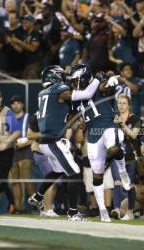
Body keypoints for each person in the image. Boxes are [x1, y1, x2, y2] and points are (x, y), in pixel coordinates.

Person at [28, 64, 109, 221]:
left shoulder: (43, 93)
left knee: (59, 170)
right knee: (75, 174)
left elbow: (62, 112)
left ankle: (38, 197)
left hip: (46, 141)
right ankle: (72, 213)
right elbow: (85, 94)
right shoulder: (59, 90)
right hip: (53, 141)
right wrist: (97, 80)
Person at [69, 64, 131, 222]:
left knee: (113, 149)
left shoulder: (96, 86)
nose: (75, 83)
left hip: (109, 126)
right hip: (93, 135)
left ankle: (123, 171)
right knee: (97, 176)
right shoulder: (76, 96)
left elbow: (105, 87)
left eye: (77, 80)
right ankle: (103, 210)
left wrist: (110, 83)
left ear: (83, 78)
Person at [111, 95, 142, 221]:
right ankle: (117, 210)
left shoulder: (135, 119)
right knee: (117, 182)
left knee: (129, 185)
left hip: (130, 156)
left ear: (129, 105)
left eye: (124, 103)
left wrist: (123, 125)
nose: (121, 106)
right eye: (119, 103)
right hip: (116, 156)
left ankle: (130, 212)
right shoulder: (113, 120)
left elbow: (134, 135)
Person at [9, 95, 35, 213]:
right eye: (14, 103)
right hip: (12, 151)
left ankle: (37, 205)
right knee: (14, 181)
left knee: (26, 179)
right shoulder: (8, 118)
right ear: (11, 106)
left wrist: (24, 144)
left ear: (22, 105)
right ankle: (18, 208)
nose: (16, 105)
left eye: (18, 103)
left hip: (26, 150)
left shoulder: (29, 118)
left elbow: (35, 136)